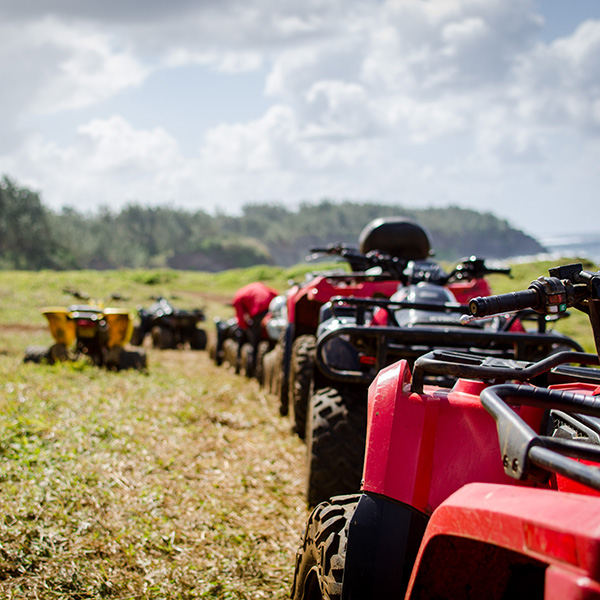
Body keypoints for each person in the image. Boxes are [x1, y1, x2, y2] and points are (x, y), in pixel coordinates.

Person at [232, 282, 279, 349]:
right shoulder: (259, 285)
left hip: (259, 310)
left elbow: (240, 317)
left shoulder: (238, 296)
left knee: (255, 338)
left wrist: (245, 328)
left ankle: (254, 355)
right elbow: (275, 293)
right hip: (271, 308)